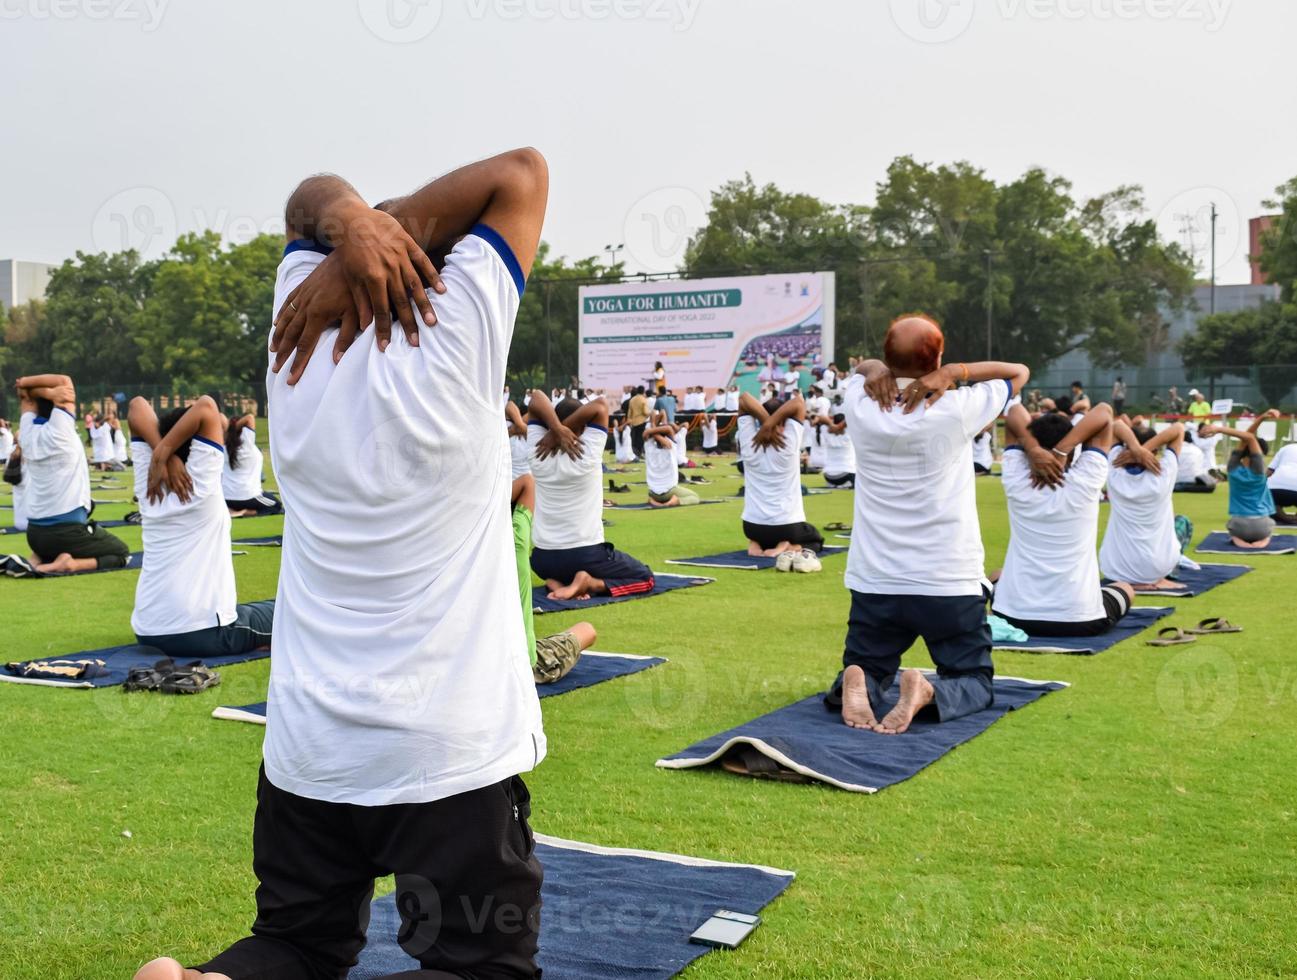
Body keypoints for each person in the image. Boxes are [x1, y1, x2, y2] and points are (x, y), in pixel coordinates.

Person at [135, 148, 550, 980]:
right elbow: (523, 172)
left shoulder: (296, 334)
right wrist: (377, 231)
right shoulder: (461, 327)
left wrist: (356, 225)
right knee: (479, 967)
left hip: (310, 741)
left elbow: (307, 203)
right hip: (447, 750)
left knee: (294, 945)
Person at [828, 315, 1030, 734]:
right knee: (973, 680)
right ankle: (927, 692)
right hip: (946, 581)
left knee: (868, 665)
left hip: (876, 580)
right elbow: (1019, 373)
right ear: (937, 357)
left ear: (886, 359)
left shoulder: (861, 403)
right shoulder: (956, 407)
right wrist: (955, 373)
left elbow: (860, 368)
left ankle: (857, 677)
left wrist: (875, 370)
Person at [127, 396, 276, 658]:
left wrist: (162, 453)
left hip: (148, 630)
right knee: (291, 611)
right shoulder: (201, 484)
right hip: (204, 634)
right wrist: (166, 453)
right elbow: (207, 406)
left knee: (254, 610)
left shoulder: (149, 479)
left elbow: (137, 405)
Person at [993, 402, 1136, 636]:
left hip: (1013, 616)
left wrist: (1034, 449)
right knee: (1124, 588)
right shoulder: (1086, 480)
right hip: (1081, 619)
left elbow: (1015, 412)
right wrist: (1062, 451)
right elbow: (1103, 412)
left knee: (997, 574)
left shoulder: (1016, 480)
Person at [526, 389, 655, 601]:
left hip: (542, 560)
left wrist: (556, 428)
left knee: (555, 566)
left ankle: (557, 582)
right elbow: (601, 405)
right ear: (584, 426)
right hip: (585, 556)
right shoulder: (587, 451)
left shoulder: (537, 450)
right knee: (645, 578)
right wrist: (561, 429)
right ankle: (589, 582)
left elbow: (536, 398)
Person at [14, 375, 130, 575]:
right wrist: (39, 388)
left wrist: (29, 388)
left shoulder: (26, 432)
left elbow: (24, 397)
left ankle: (40, 557)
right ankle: (68, 565)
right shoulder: (61, 431)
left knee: (59, 541)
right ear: (58, 405)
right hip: (66, 532)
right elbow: (65, 381)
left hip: (35, 535)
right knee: (121, 553)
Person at [510, 471, 597, 683]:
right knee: (587, 630)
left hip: (467, 660)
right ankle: (566, 584)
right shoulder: (516, 544)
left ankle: (560, 584)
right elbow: (527, 483)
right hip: (520, 664)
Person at [736, 391, 823, 569]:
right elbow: (799, 402)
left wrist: (766, 423)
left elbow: (744, 398)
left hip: (752, 527)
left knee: (765, 532)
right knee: (815, 538)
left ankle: (756, 543)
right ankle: (788, 545)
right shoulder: (788, 444)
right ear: (785, 421)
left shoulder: (748, 443)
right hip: (786, 527)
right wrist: (772, 424)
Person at [1099, 420, 1184, 590]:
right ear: (1156, 451)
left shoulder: (1114, 469)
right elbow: (1179, 429)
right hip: (1159, 566)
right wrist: (1143, 450)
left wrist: (1136, 449)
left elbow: (1115, 425)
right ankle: (1155, 580)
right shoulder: (1164, 472)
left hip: (1117, 568)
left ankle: (1139, 582)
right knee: (1183, 522)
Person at [1200, 410, 1282, 548]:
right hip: (1261, 526)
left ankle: (1239, 541)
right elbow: (1249, 438)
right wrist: (1219, 429)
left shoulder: (1232, 469)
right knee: (1269, 525)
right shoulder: (1260, 472)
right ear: (1261, 454)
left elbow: (1247, 438)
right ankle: (1262, 542)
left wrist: (1261, 418)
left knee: (1232, 526)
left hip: (1239, 526)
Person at [221, 414, 282, 517]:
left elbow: (220, 416)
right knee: (276, 505)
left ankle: (230, 510)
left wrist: (230, 431)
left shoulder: (223, 444)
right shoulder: (246, 442)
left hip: (227, 499)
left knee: (266, 496)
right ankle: (245, 512)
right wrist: (232, 430)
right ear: (243, 429)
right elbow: (250, 418)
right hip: (248, 497)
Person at [644, 415, 700, 507]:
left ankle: (654, 501)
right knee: (695, 497)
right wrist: (653, 431)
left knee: (658, 494)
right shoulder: (671, 446)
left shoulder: (648, 446)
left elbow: (650, 429)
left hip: (652, 493)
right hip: (669, 491)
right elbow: (669, 427)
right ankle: (674, 501)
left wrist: (651, 431)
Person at [811, 412, 855, 488]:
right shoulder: (849, 432)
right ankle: (844, 484)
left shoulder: (826, 431)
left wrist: (832, 425)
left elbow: (820, 417)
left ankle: (836, 484)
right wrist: (839, 426)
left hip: (828, 476)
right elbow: (852, 417)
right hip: (846, 474)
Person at [1267, 439, 1297, 525]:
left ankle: (1281, 516)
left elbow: (1269, 472)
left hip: (1274, 488)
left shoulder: (1286, 448)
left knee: (1268, 503)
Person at [625, 385, 649, 457]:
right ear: (643, 391)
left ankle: (634, 452)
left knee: (634, 438)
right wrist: (650, 413)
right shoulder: (643, 399)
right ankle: (639, 453)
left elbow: (629, 412)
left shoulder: (632, 399)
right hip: (641, 421)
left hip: (633, 422)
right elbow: (645, 412)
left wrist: (629, 420)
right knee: (640, 438)